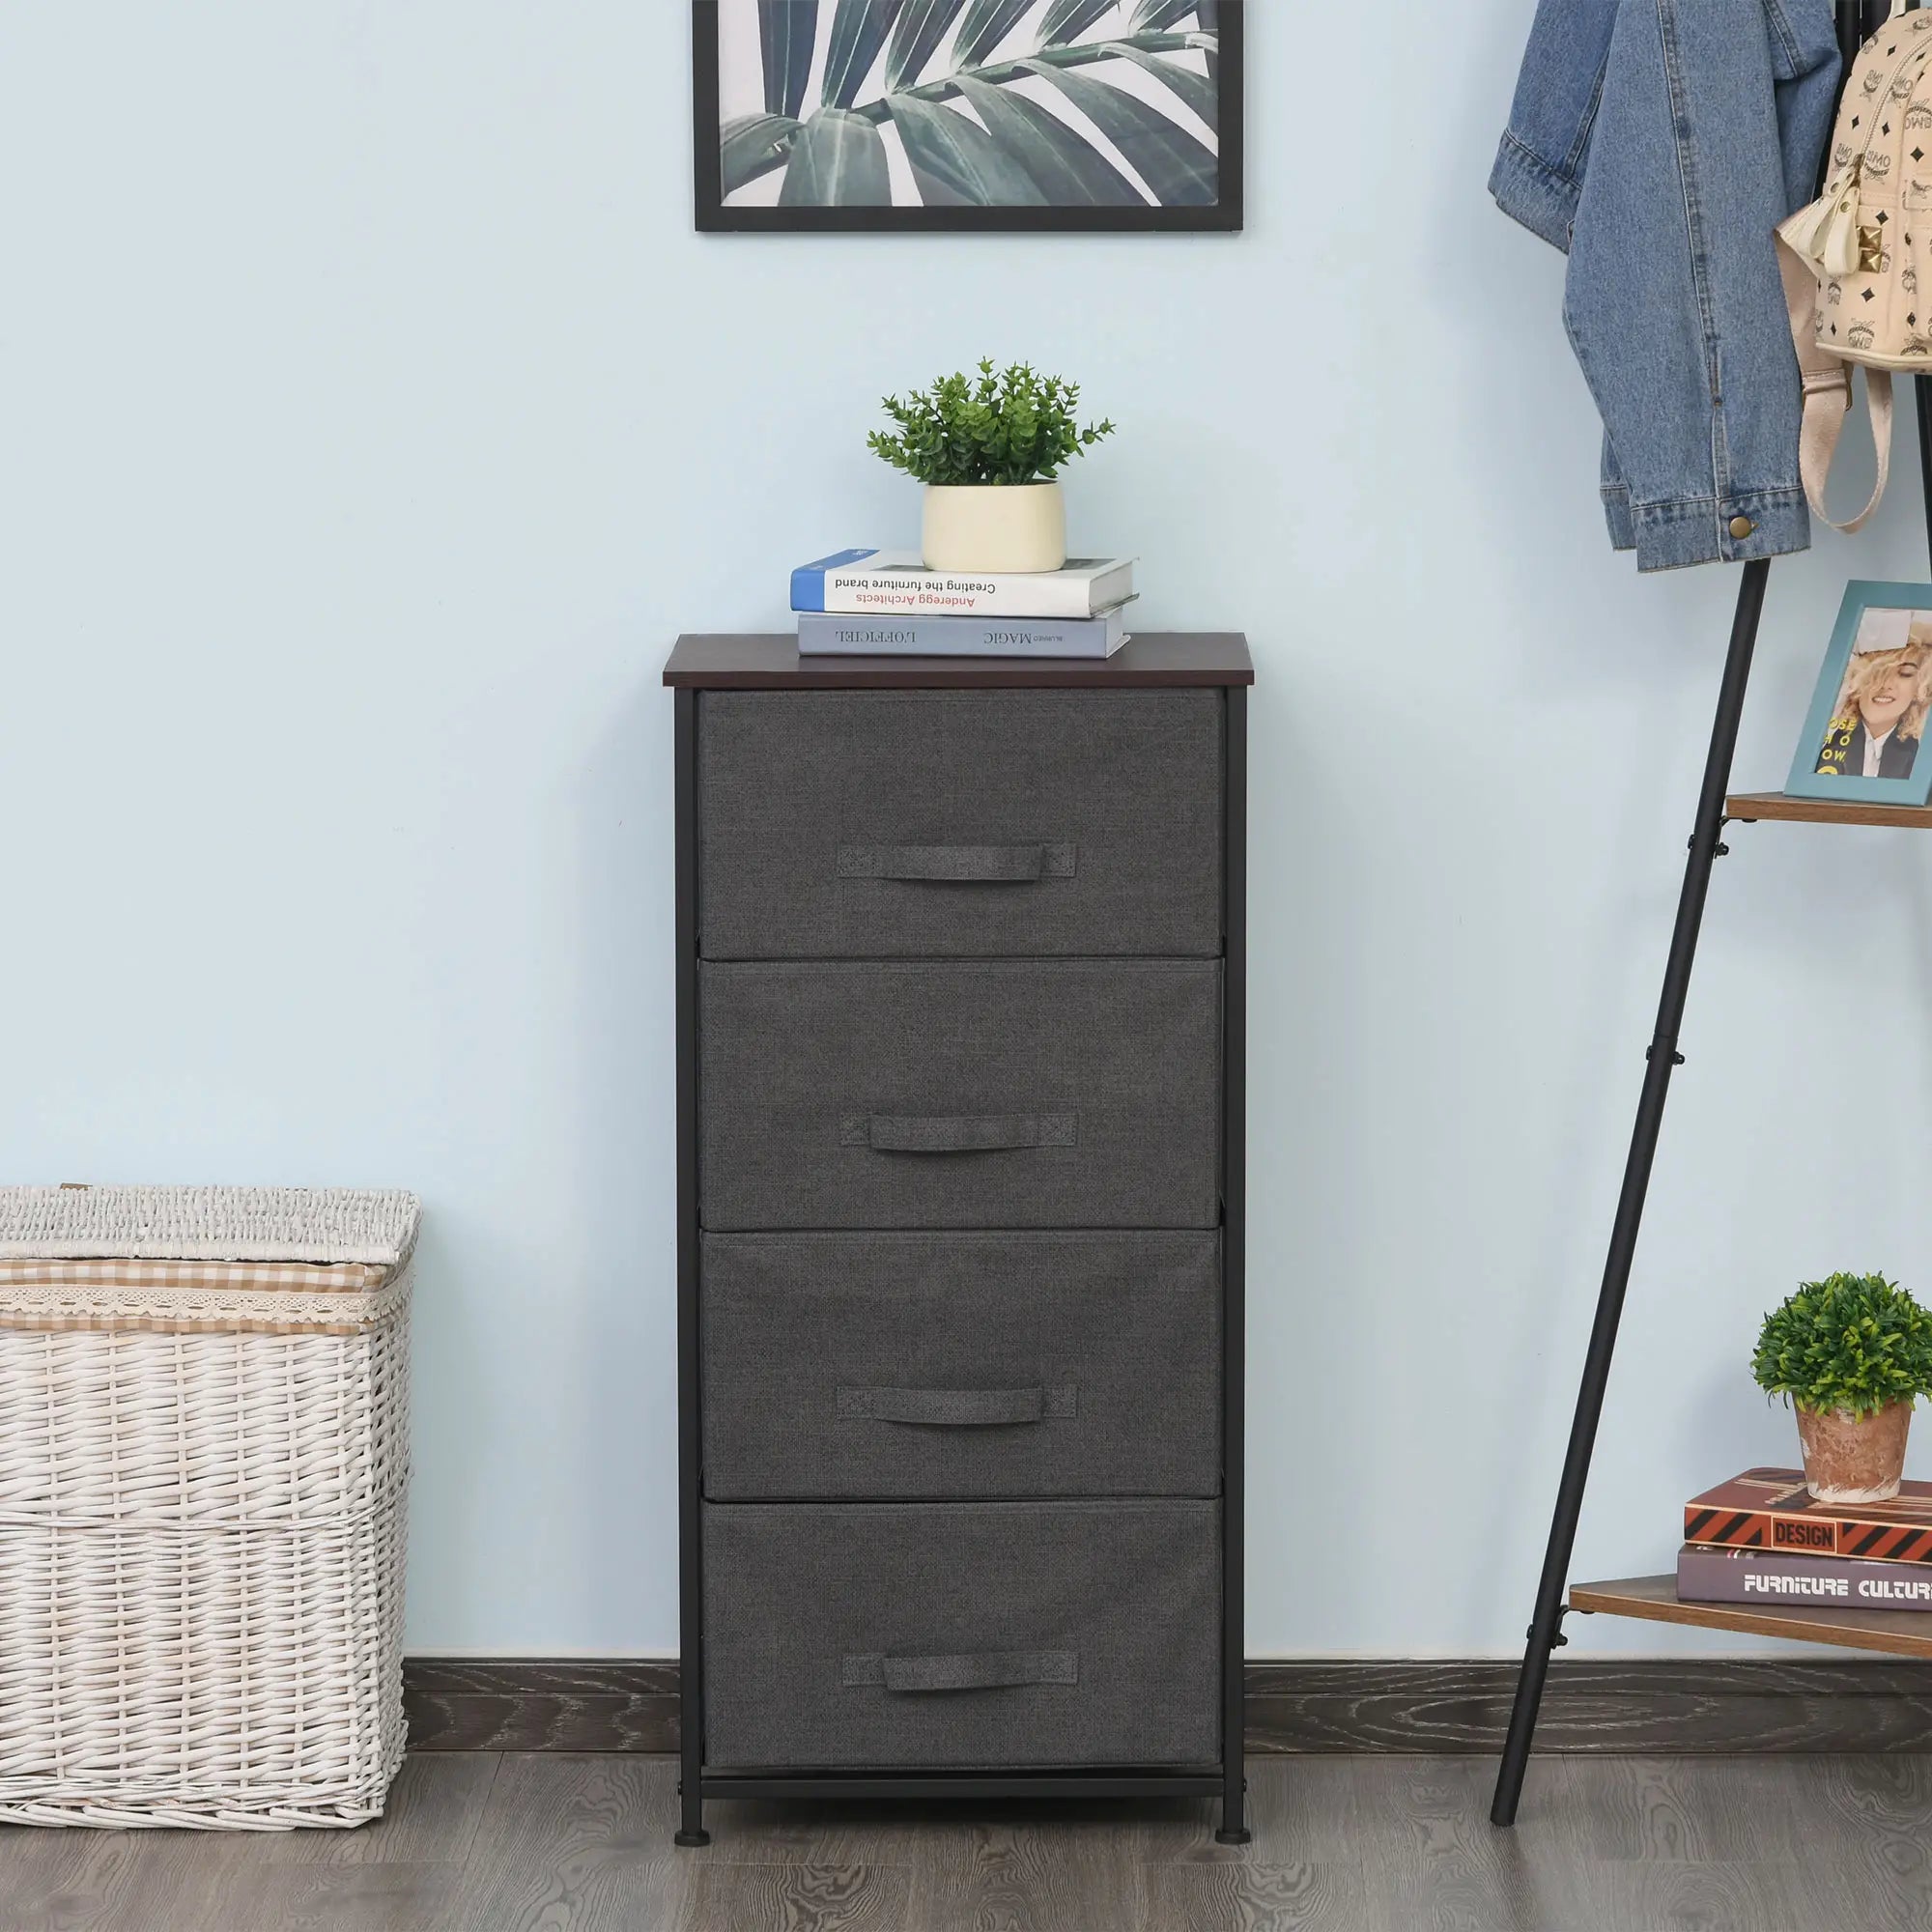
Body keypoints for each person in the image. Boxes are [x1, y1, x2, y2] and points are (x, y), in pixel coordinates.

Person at [1815, 627, 1932, 781]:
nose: (1886, 684)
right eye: (1877, 671)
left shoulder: (1920, 752)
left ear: (1919, 689)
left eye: (1905, 673)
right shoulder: (1826, 731)